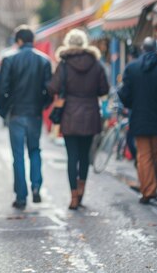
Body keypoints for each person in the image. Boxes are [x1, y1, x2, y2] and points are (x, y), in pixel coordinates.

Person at [48, 29, 109, 210]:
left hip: (69, 115)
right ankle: (81, 193)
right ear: (84, 44)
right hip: (90, 114)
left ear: (69, 44)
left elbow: (53, 87)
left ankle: (73, 196)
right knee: (84, 157)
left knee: (71, 157)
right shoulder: (96, 64)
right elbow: (104, 89)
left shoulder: (64, 65)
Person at [0, 25, 52, 210]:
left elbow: (1, 89)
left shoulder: (9, 59)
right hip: (34, 113)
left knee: (18, 155)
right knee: (35, 150)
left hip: (16, 112)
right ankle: (36, 186)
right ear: (31, 40)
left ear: (18, 41)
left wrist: (3, 111)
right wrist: (42, 105)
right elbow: (49, 90)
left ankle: (21, 196)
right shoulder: (44, 61)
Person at [118, 37, 157, 204]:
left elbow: (124, 94)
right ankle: (150, 188)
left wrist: (131, 105)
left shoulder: (132, 68)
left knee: (143, 156)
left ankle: (147, 190)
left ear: (142, 49)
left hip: (138, 117)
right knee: (153, 154)